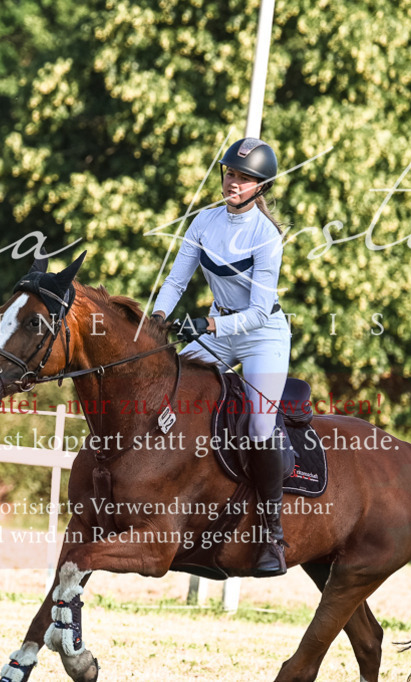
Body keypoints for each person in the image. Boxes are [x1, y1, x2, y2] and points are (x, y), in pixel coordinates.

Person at [151, 137, 291, 577]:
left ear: (260, 186)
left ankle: (272, 531)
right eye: (230, 173)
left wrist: (209, 326)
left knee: (259, 423)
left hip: (261, 335)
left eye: (245, 177)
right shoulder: (204, 222)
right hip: (218, 329)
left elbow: (256, 312)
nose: (234, 182)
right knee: (168, 388)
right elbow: (176, 281)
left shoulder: (267, 237)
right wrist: (156, 318)